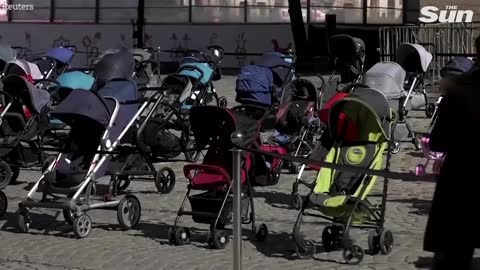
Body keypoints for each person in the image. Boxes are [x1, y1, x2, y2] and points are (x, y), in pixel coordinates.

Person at [423, 36, 480, 270]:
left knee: (453, 257)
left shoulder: (459, 92)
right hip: (461, 185)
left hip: (461, 184)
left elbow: (437, 142)